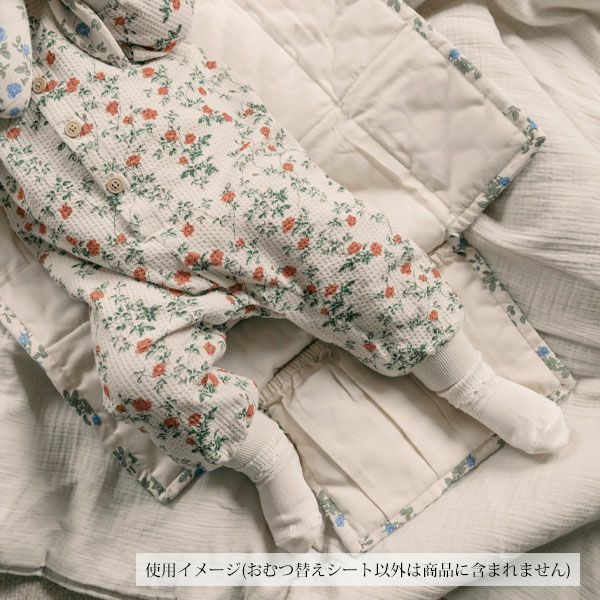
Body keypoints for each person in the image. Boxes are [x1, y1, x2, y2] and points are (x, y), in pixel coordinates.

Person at [0, 0, 569, 552]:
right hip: (126, 274)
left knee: (352, 252)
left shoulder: (74, 16)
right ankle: (266, 459)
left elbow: (165, 22)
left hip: (232, 192)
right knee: (137, 380)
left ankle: (470, 383)